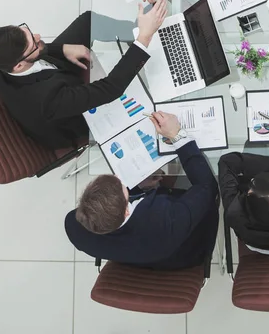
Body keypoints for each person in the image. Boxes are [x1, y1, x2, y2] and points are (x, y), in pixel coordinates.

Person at [0, 0, 168, 150]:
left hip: (48, 77)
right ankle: (145, 35)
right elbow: (111, 88)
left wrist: (61, 49)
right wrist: (145, 38)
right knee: (133, 94)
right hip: (70, 120)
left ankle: (138, 31)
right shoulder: (49, 100)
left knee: (88, 22)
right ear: (19, 66)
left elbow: (32, 48)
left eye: (28, 32)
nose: (38, 36)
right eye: (33, 44)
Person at [65, 111, 219, 269]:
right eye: (122, 187)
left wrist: (138, 189)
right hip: (186, 251)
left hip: (136, 257)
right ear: (126, 211)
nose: (120, 178)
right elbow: (207, 187)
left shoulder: (74, 226)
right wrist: (176, 135)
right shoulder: (165, 218)